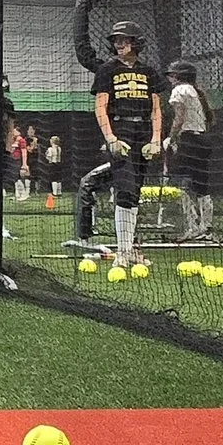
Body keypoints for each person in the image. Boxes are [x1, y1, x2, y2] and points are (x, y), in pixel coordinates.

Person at [93, 21, 163, 267]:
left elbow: (156, 108)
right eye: (116, 40)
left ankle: (131, 248)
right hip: (120, 128)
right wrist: (110, 137)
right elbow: (100, 106)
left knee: (135, 191)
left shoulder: (149, 72)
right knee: (124, 187)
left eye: (124, 39)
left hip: (142, 131)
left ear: (136, 42)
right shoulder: (106, 70)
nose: (119, 44)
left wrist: (156, 139)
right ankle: (123, 251)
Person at [164, 60, 216, 241]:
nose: (170, 78)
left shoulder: (180, 90)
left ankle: (193, 226)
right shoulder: (196, 91)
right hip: (203, 139)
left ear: (180, 76)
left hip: (190, 140)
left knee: (179, 181)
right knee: (201, 184)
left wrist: (171, 138)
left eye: (173, 74)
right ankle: (206, 228)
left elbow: (179, 118)